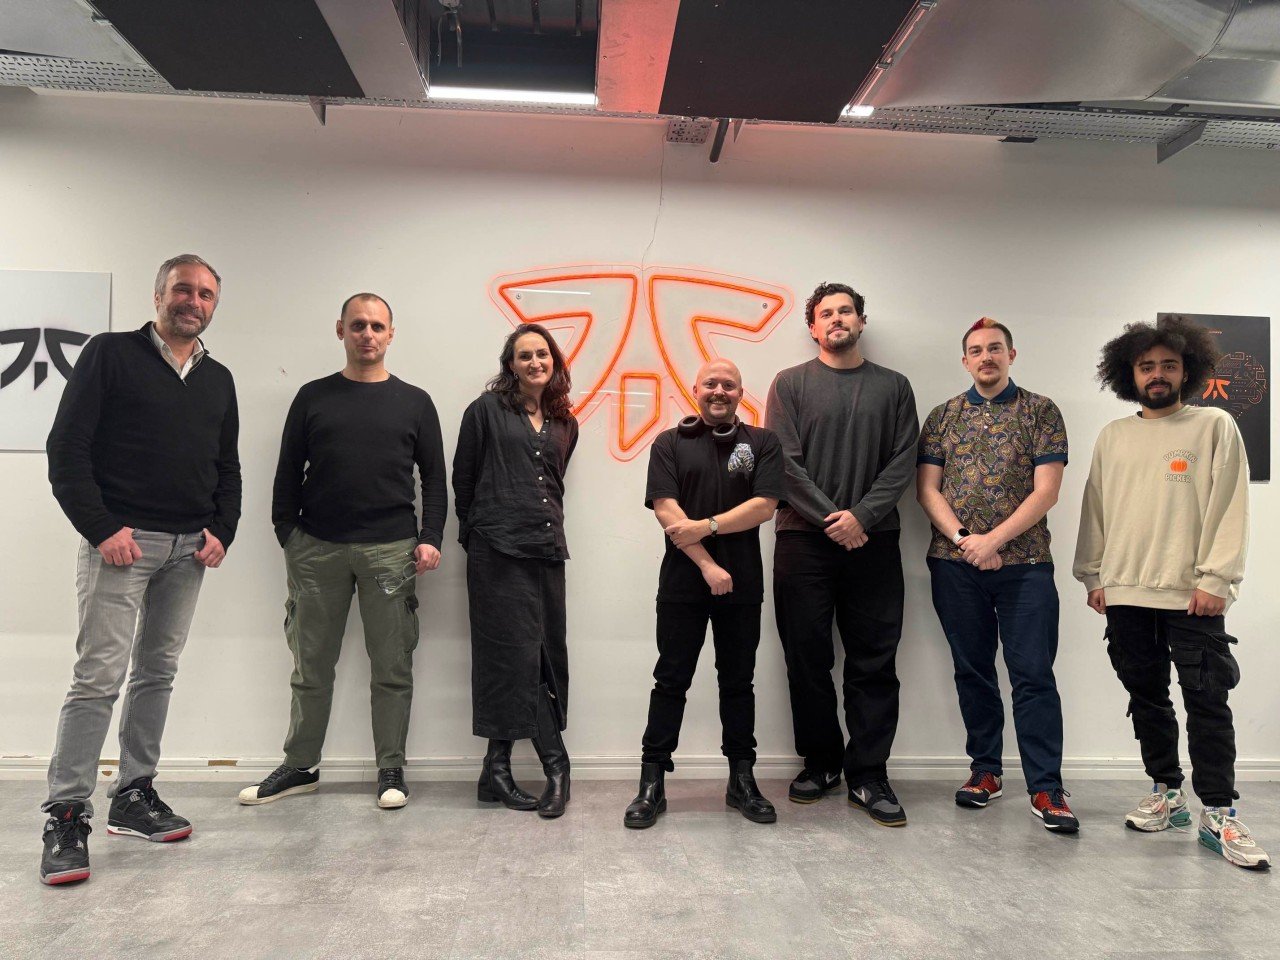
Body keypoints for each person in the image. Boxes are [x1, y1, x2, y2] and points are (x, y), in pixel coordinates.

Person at [41, 254, 241, 885]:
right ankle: (67, 814)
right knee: (98, 676)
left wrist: (222, 531)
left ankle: (133, 796)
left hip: (189, 551)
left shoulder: (219, 378)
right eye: (184, 289)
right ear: (159, 294)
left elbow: (226, 466)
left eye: (206, 293)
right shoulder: (109, 354)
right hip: (122, 546)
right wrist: (102, 529)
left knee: (157, 672)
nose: (195, 300)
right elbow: (66, 449)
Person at [1074, 314, 1268, 869]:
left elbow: (1230, 505)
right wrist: (1093, 575)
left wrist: (1217, 579)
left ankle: (1221, 812)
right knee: (1146, 698)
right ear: (1128, 373)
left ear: (1188, 371)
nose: (1157, 375)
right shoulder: (1114, 435)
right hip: (1126, 591)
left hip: (1192, 594)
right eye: (1146, 366)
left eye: (1168, 365)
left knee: (1207, 702)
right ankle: (1168, 791)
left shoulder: (1213, 425)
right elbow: (1097, 509)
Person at [238, 293, 446, 811]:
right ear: (340, 330)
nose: (367, 334)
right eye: (358, 325)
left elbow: (435, 480)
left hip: (392, 553)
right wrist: (289, 534)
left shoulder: (416, 401)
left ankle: (390, 768)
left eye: (377, 326)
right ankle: (301, 766)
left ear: (391, 334)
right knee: (311, 665)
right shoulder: (312, 397)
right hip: (317, 550)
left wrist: (430, 537)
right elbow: (286, 472)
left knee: (392, 666)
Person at [916, 317, 1078, 832]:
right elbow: (927, 491)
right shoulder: (943, 416)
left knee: (1033, 675)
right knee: (974, 671)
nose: (986, 357)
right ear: (965, 361)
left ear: (1012, 354)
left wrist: (995, 541)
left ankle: (1047, 788)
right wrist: (967, 541)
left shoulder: (1041, 411)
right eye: (975, 351)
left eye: (995, 349)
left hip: (1026, 565)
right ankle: (985, 771)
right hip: (955, 564)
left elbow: (1046, 491)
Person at [766, 281, 918, 827]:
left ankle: (869, 774)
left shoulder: (894, 387)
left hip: (874, 542)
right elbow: (783, 463)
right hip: (803, 541)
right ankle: (821, 763)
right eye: (826, 313)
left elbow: (904, 462)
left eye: (846, 311)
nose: (837, 319)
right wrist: (837, 519)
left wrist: (862, 518)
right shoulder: (789, 385)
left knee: (874, 659)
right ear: (813, 326)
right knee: (806, 657)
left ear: (861, 321)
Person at [624, 359, 786, 828]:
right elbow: (665, 508)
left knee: (738, 683)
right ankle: (651, 784)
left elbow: (765, 505)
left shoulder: (763, 443)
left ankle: (742, 780)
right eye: (710, 383)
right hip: (682, 583)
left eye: (729, 384)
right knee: (670, 680)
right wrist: (708, 562)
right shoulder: (669, 443)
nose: (719, 390)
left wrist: (709, 525)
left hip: (744, 586)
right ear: (695, 389)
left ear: (740, 392)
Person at [453, 323, 579, 819]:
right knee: (509, 655)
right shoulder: (485, 411)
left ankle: (495, 770)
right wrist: (476, 533)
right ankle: (556, 766)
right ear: (511, 365)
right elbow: (464, 477)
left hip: (547, 548)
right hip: (497, 550)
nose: (534, 363)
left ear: (554, 362)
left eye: (542, 355)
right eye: (524, 356)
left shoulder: (565, 421)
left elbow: (554, 481)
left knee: (543, 653)